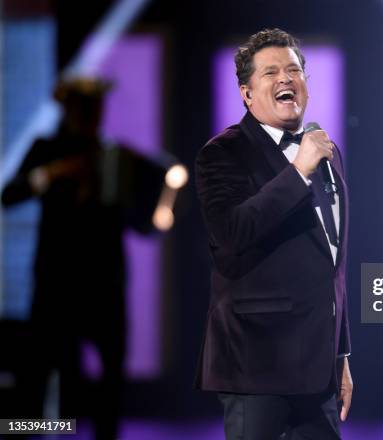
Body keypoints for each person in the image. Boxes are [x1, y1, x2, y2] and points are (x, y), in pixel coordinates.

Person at [194, 28, 353, 439]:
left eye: (294, 70)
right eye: (271, 72)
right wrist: (297, 171)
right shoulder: (222, 154)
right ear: (246, 94)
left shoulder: (326, 154)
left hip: (318, 373)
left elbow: (330, 264)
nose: (286, 78)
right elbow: (231, 233)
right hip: (256, 367)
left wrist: (341, 354)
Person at [1, 76, 165, 440]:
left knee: (110, 386)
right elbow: (9, 195)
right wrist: (50, 174)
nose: (90, 113)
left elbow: (144, 223)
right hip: (55, 282)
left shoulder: (115, 157)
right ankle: (30, 432)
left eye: (95, 106)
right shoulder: (46, 150)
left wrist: (161, 200)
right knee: (36, 381)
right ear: (69, 109)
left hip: (105, 283)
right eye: (82, 105)